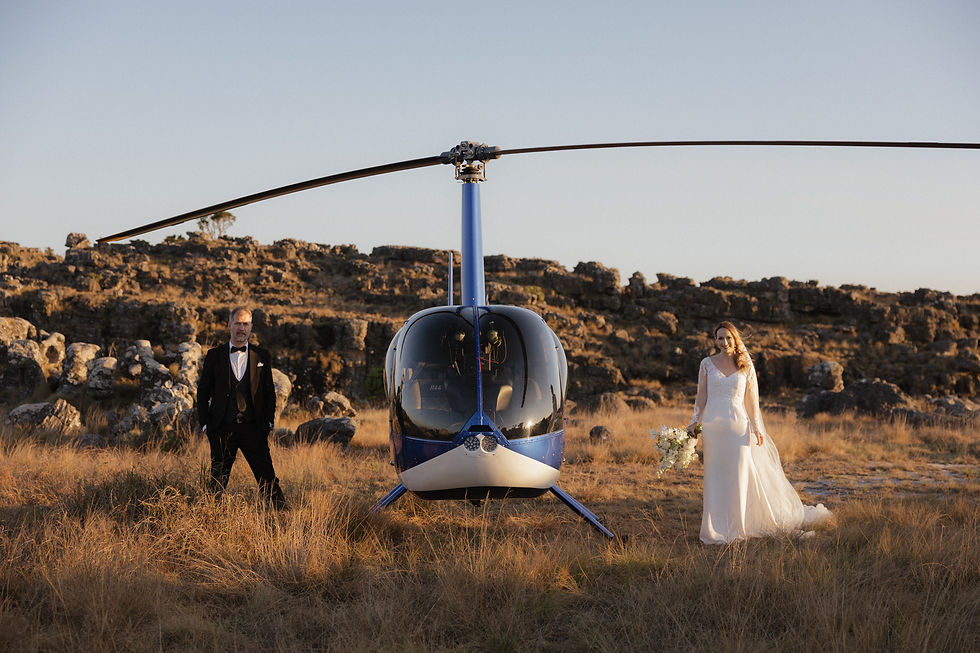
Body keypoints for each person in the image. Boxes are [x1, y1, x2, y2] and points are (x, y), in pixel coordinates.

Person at [688, 321, 830, 544]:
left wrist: (756, 427)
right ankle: (715, 528)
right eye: (719, 338)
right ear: (714, 340)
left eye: (728, 338)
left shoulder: (745, 365)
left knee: (740, 476)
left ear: (735, 340)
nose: (724, 342)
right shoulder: (706, 364)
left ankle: (740, 527)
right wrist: (693, 422)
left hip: (738, 428)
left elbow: (751, 400)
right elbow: (701, 396)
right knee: (716, 477)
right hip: (713, 430)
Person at [197, 306, 286, 508]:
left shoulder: (262, 355)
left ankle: (282, 516)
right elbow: (203, 392)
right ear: (229, 325)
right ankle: (210, 518)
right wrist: (205, 425)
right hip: (221, 427)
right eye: (237, 323)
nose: (241, 328)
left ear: (251, 326)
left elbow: (269, 392)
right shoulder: (214, 355)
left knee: (268, 478)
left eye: (246, 324)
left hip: (253, 427)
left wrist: (269, 422)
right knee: (217, 481)